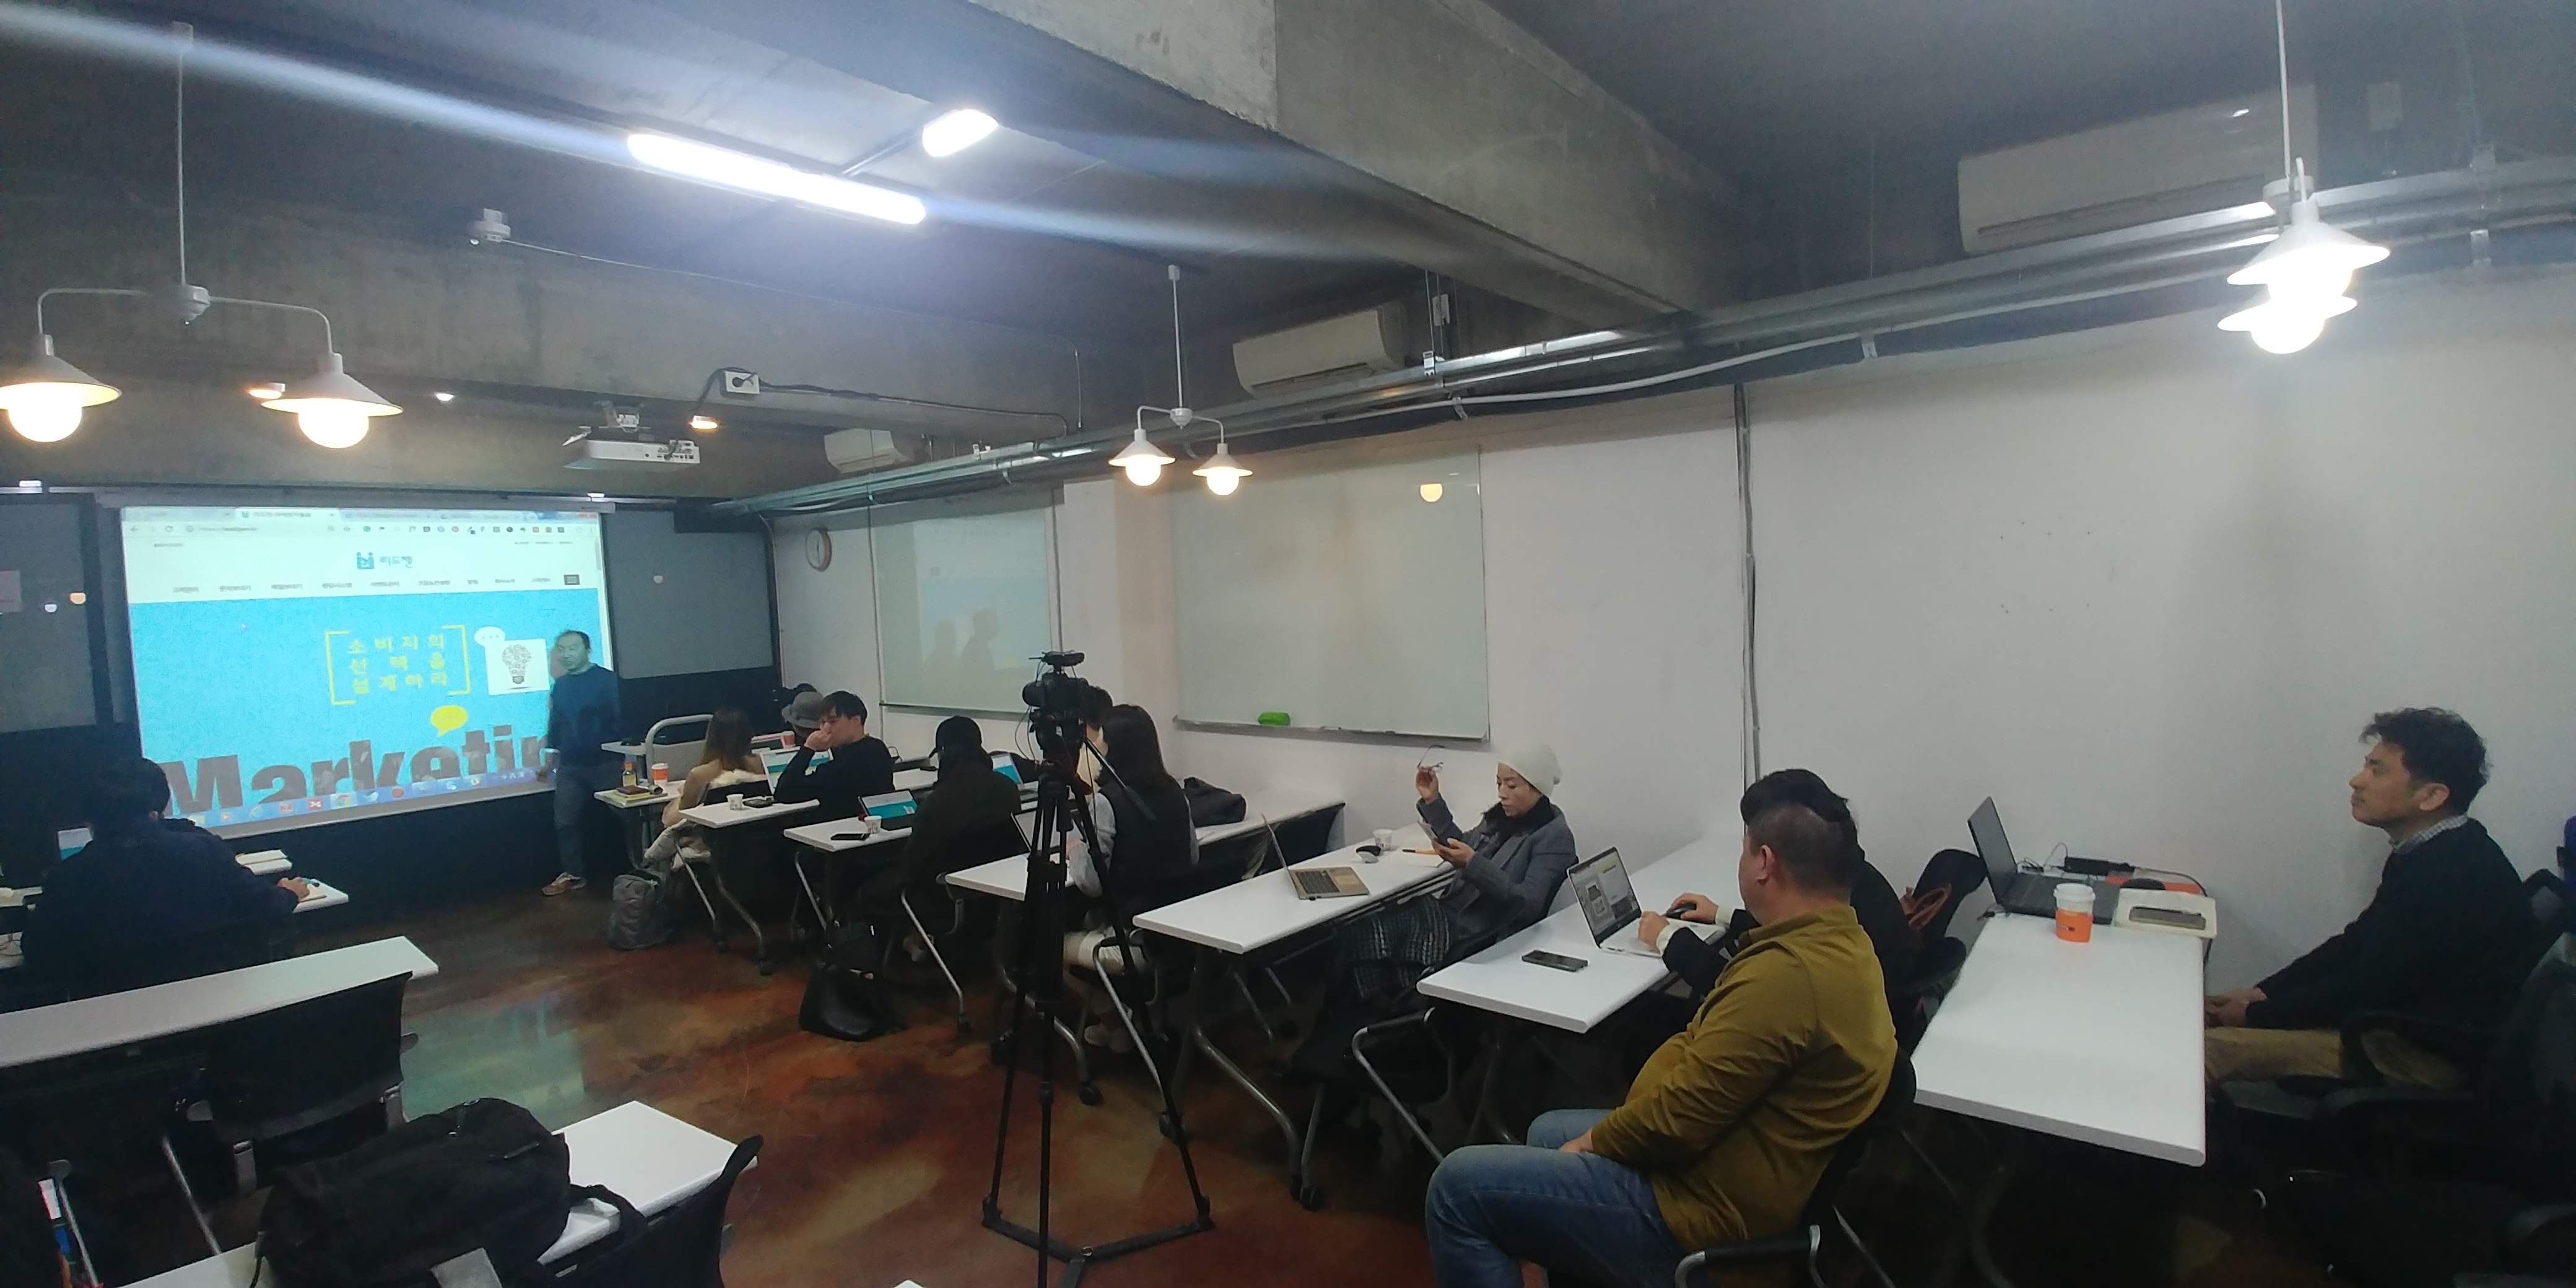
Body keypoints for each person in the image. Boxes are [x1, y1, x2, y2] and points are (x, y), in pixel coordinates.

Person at [1424, 799, 1897, 1288]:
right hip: (1729, 1168)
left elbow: (1676, 1121)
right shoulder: (1843, 944)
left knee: (1457, 1190)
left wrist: (1593, 1143)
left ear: (1764, 863)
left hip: (1696, 1211)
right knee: (1547, 1129)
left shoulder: (1787, 978)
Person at [2204, 708, 2528, 1088]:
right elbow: (2355, 945)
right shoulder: (2434, 851)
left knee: (2202, 1052)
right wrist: (2264, 993)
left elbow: (2370, 984)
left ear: (2431, 796)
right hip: (2390, 1028)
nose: (2357, 781)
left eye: (2378, 771)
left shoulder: (2454, 876)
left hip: (2418, 1056)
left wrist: (2257, 1015)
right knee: (2196, 1016)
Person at [23, 759, 310, 986]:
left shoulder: (68, 876)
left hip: (114, 1010)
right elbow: (264, 905)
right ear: (157, 811)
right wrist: (288, 893)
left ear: (90, 820)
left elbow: (38, 952)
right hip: (215, 992)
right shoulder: (204, 851)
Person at [1638, 768, 1918, 999]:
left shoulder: (1803, 960)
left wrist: (1669, 939)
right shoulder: (1847, 883)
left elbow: (1742, 997)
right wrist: (1722, 916)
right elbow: (1785, 928)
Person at [1338, 747, 1578, 1004]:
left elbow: (1529, 904)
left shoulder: (1554, 836)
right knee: (1359, 930)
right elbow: (1463, 843)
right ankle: (1371, 1006)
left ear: (1538, 788)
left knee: (1366, 934)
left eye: (1511, 786)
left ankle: (1376, 1008)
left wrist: (1473, 864)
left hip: (1473, 932)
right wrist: (1433, 801)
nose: (1502, 793)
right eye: (1498, 783)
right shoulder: (1501, 817)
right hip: (1444, 913)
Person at [1061, 704, 1206, 1051]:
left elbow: (1091, 884)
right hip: (1174, 932)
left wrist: (1076, 849)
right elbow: (1192, 857)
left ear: (1115, 746)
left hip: (1133, 942)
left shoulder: (1106, 803)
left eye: (1101, 739)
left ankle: (1120, 1024)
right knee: (1088, 922)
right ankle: (1132, 1022)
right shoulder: (1176, 793)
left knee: (1049, 945)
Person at [858, 716, 1020, 942]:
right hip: (992, 893)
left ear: (943, 752)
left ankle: (899, 947)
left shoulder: (936, 803)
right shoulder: (1007, 787)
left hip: (942, 900)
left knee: (869, 891)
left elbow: (912, 868)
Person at [537, 629, 621, 897]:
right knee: (565, 821)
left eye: (572, 648)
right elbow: (557, 727)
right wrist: (550, 762)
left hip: (607, 762)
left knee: (628, 816)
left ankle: (646, 866)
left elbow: (623, 721)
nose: (566, 654)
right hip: (571, 765)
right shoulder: (561, 685)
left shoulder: (609, 681)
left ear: (588, 650)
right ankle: (574, 874)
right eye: (561, 649)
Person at [639, 708, 770, 874]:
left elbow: (678, 820)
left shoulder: (699, 775)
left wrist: (683, 792)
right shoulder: (761, 766)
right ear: (749, 735)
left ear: (712, 737)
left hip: (713, 845)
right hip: (755, 844)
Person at [773, 690, 895, 819]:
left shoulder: (839, 768)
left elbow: (784, 792)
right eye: (822, 722)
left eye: (833, 722)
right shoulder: (878, 747)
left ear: (856, 721)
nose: (825, 729)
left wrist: (808, 749)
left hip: (839, 826)